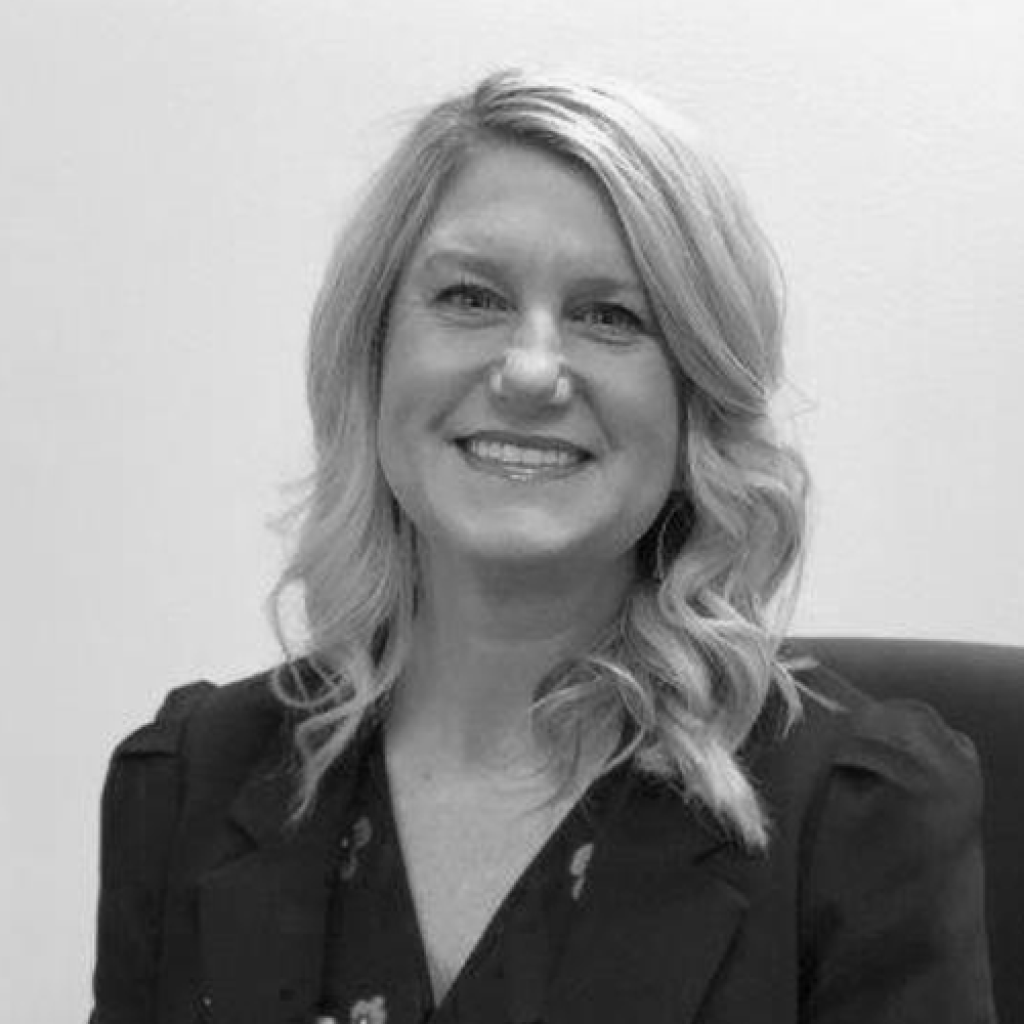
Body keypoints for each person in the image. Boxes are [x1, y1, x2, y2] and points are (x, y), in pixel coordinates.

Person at [89, 69, 996, 1024]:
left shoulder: (860, 820)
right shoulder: (186, 783)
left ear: (695, 403)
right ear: (372, 357)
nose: (529, 370)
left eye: (612, 316)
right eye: (471, 296)